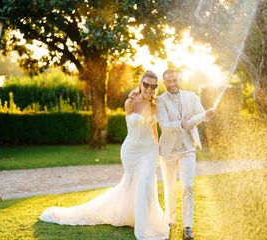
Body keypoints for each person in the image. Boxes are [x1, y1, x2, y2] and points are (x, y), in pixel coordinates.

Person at [40, 70, 170, 240]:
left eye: (153, 86)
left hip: (149, 150)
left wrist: (158, 150)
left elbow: (154, 130)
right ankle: (130, 216)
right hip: (131, 151)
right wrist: (136, 98)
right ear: (140, 84)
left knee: (146, 183)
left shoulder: (155, 105)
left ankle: (146, 224)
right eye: (146, 84)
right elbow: (133, 126)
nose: (149, 89)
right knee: (131, 185)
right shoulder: (129, 103)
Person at [157, 69, 215, 240]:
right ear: (164, 82)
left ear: (179, 79)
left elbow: (202, 114)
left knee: (188, 186)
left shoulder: (191, 96)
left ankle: (187, 227)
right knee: (169, 188)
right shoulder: (160, 100)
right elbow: (165, 125)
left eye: (175, 80)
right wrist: (182, 124)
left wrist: (207, 115)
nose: (172, 84)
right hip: (168, 151)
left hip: (188, 149)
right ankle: (170, 222)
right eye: (168, 81)